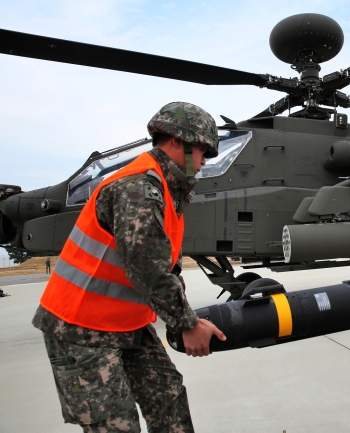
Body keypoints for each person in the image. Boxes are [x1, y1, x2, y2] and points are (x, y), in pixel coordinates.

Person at [32, 102, 225, 432]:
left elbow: (161, 266)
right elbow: (147, 269)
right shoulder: (138, 188)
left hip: (125, 323)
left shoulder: (166, 187)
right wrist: (187, 323)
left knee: (168, 400)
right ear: (178, 141)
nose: (205, 160)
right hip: (80, 326)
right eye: (203, 149)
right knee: (116, 423)